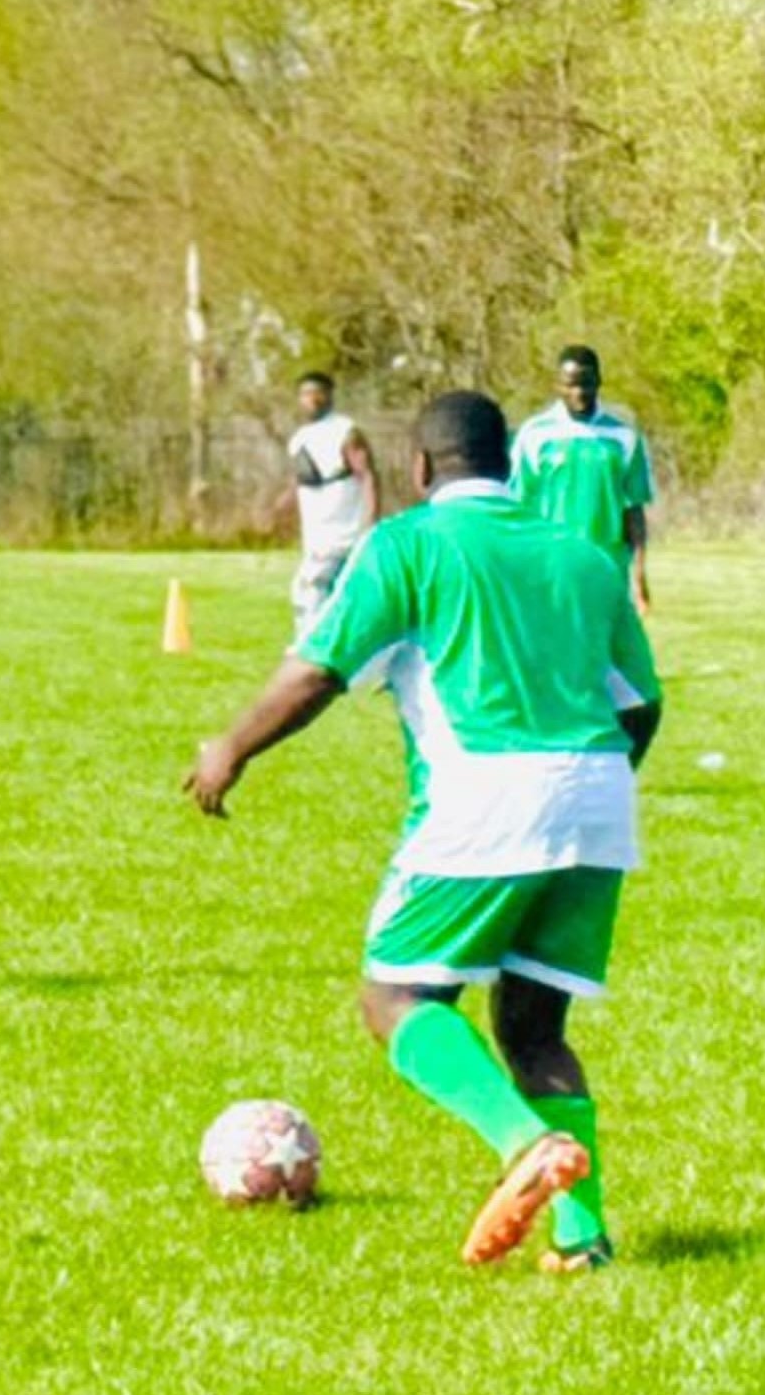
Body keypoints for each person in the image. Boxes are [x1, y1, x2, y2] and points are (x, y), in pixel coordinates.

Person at [183, 390, 663, 1273]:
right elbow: (644, 703)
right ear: (512, 461)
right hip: (599, 799)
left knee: (395, 999)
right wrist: (583, 791)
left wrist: (231, 745)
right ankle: (582, 1239)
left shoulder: (406, 543)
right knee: (534, 1029)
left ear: (415, 468)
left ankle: (521, 1141)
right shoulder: (584, 555)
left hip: (485, 796)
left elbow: (318, 672)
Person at [511, 345, 654, 613]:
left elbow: (634, 510)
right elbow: (517, 509)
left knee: (602, 652)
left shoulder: (623, 435)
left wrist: (638, 576)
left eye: (587, 384)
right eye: (571, 385)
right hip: (552, 567)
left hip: (607, 566)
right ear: (557, 385)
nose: (579, 393)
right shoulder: (535, 435)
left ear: (599, 380)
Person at [278, 371, 377, 639]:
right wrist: (281, 506)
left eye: (316, 393)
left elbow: (367, 475)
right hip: (317, 534)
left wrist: (370, 522)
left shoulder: (345, 431)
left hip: (344, 531)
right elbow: (301, 481)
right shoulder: (299, 438)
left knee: (308, 591)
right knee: (331, 597)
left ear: (329, 395)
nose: (310, 399)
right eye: (305, 394)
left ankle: (310, 651)